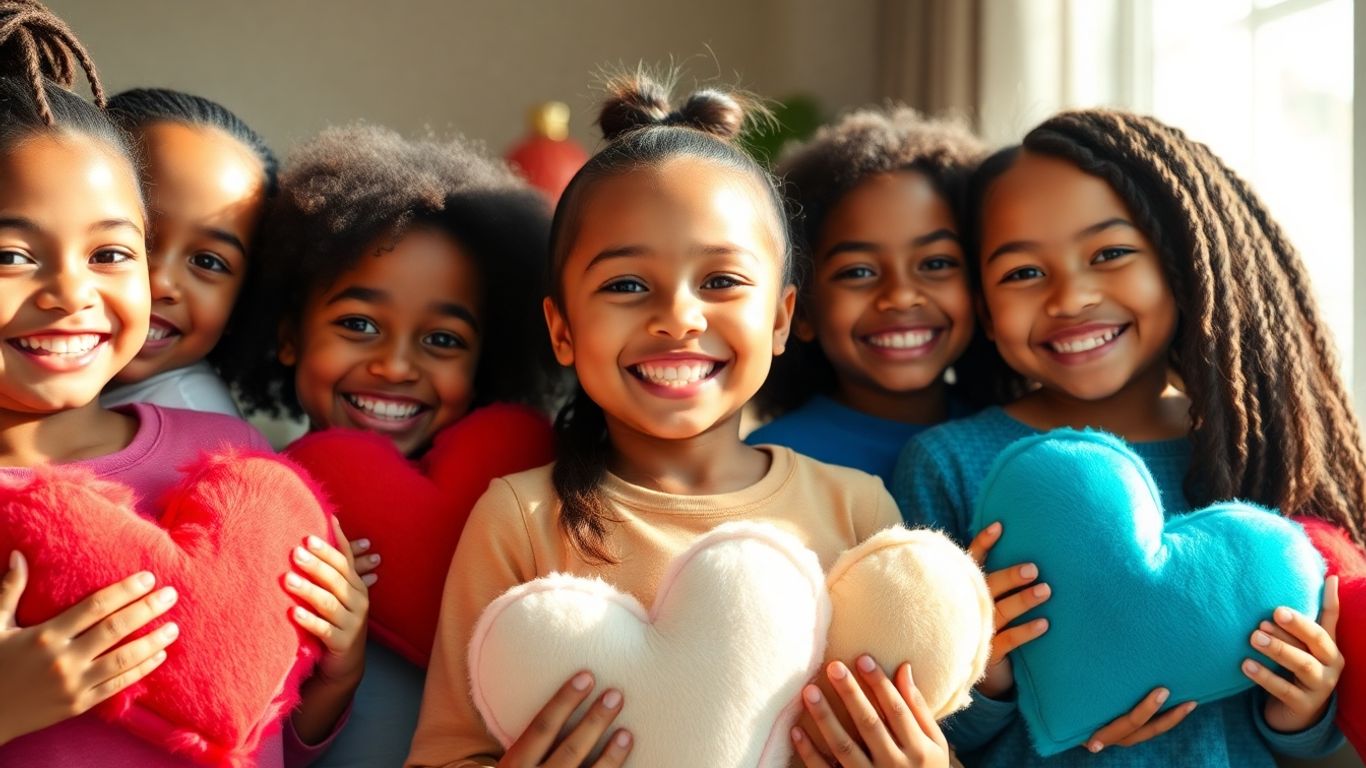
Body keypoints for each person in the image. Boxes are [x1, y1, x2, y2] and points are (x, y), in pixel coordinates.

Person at [893, 108, 1355, 766]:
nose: (1071, 297)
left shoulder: (1254, 453)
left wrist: (1302, 712)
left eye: (1110, 254)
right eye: (1023, 272)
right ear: (986, 313)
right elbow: (927, 725)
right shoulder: (946, 464)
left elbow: (1303, 735)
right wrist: (986, 671)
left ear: (1181, 268)